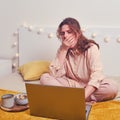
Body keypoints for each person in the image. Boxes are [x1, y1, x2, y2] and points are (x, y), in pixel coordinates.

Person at [40, 17, 118, 103]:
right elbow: (54, 74)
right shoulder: (62, 49)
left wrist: (82, 96)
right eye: (62, 33)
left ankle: (71, 98)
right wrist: (64, 50)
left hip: (89, 86)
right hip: (72, 86)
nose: (65, 36)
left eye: (69, 32)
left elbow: (97, 74)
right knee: (45, 78)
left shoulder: (91, 48)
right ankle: (75, 98)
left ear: (78, 33)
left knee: (112, 87)